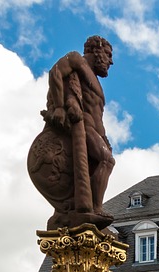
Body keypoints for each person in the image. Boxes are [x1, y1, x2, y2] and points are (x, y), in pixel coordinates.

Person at [28, 36, 116, 229]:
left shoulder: (93, 78)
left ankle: (86, 205)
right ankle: (94, 207)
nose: (111, 61)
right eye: (108, 55)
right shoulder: (77, 60)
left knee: (102, 163)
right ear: (97, 49)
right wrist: (59, 107)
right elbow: (56, 72)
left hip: (95, 130)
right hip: (84, 126)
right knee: (107, 160)